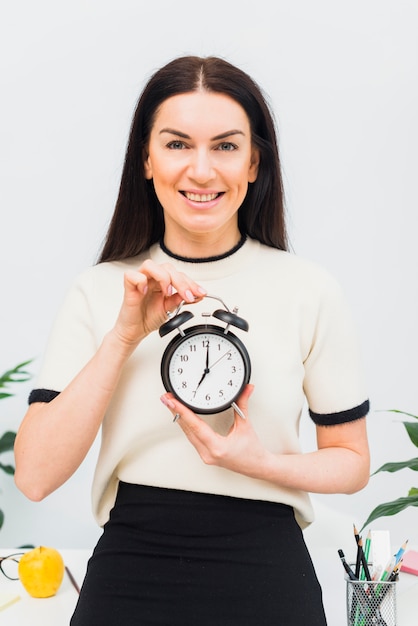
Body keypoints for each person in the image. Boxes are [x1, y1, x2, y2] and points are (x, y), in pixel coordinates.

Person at [14, 55, 370, 625]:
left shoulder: (310, 290)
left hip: (269, 572)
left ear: (254, 163)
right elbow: (33, 477)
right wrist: (124, 335)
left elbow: (351, 463)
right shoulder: (100, 290)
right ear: (147, 161)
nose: (201, 171)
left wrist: (262, 463)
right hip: (130, 570)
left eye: (226, 146)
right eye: (178, 144)